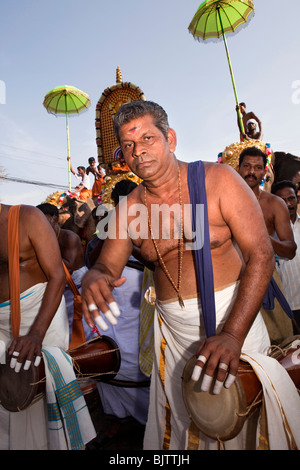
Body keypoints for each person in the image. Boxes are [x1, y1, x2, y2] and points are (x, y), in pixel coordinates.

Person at [81, 100, 299, 450]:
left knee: (250, 429)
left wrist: (231, 334)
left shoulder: (218, 181)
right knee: (183, 431)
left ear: (171, 137)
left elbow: (261, 255)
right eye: (129, 145)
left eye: (148, 138)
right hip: (175, 340)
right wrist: (97, 276)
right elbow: (108, 265)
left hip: (236, 323)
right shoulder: (129, 209)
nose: (139, 152)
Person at [0, 203, 87, 449]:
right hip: (1, 326)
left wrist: (35, 335)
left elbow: (58, 275)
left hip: (40, 319)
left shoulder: (27, 217)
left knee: (41, 397)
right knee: (7, 400)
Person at [237, 147, 297, 343]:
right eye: (247, 166)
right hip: (230, 280)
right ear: (238, 168)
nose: (251, 172)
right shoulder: (223, 200)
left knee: (279, 343)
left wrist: (263, 236)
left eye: (257, 167)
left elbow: (290, 250)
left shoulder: (274, 204)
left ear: (265, 172)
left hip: (265, 279)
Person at [36, 203, 95, 343]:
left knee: (82, 331)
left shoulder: (69, 237)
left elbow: (66, 268)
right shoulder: (42, 239)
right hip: (60, 291)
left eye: (43, 220)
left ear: (55, 219)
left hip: (78, 291)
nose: (39, 225)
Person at [272, 180, 300, 334]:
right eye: (282, 200)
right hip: (285, 308)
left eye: (291, 198)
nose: (288, 204)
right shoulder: (268, 231)